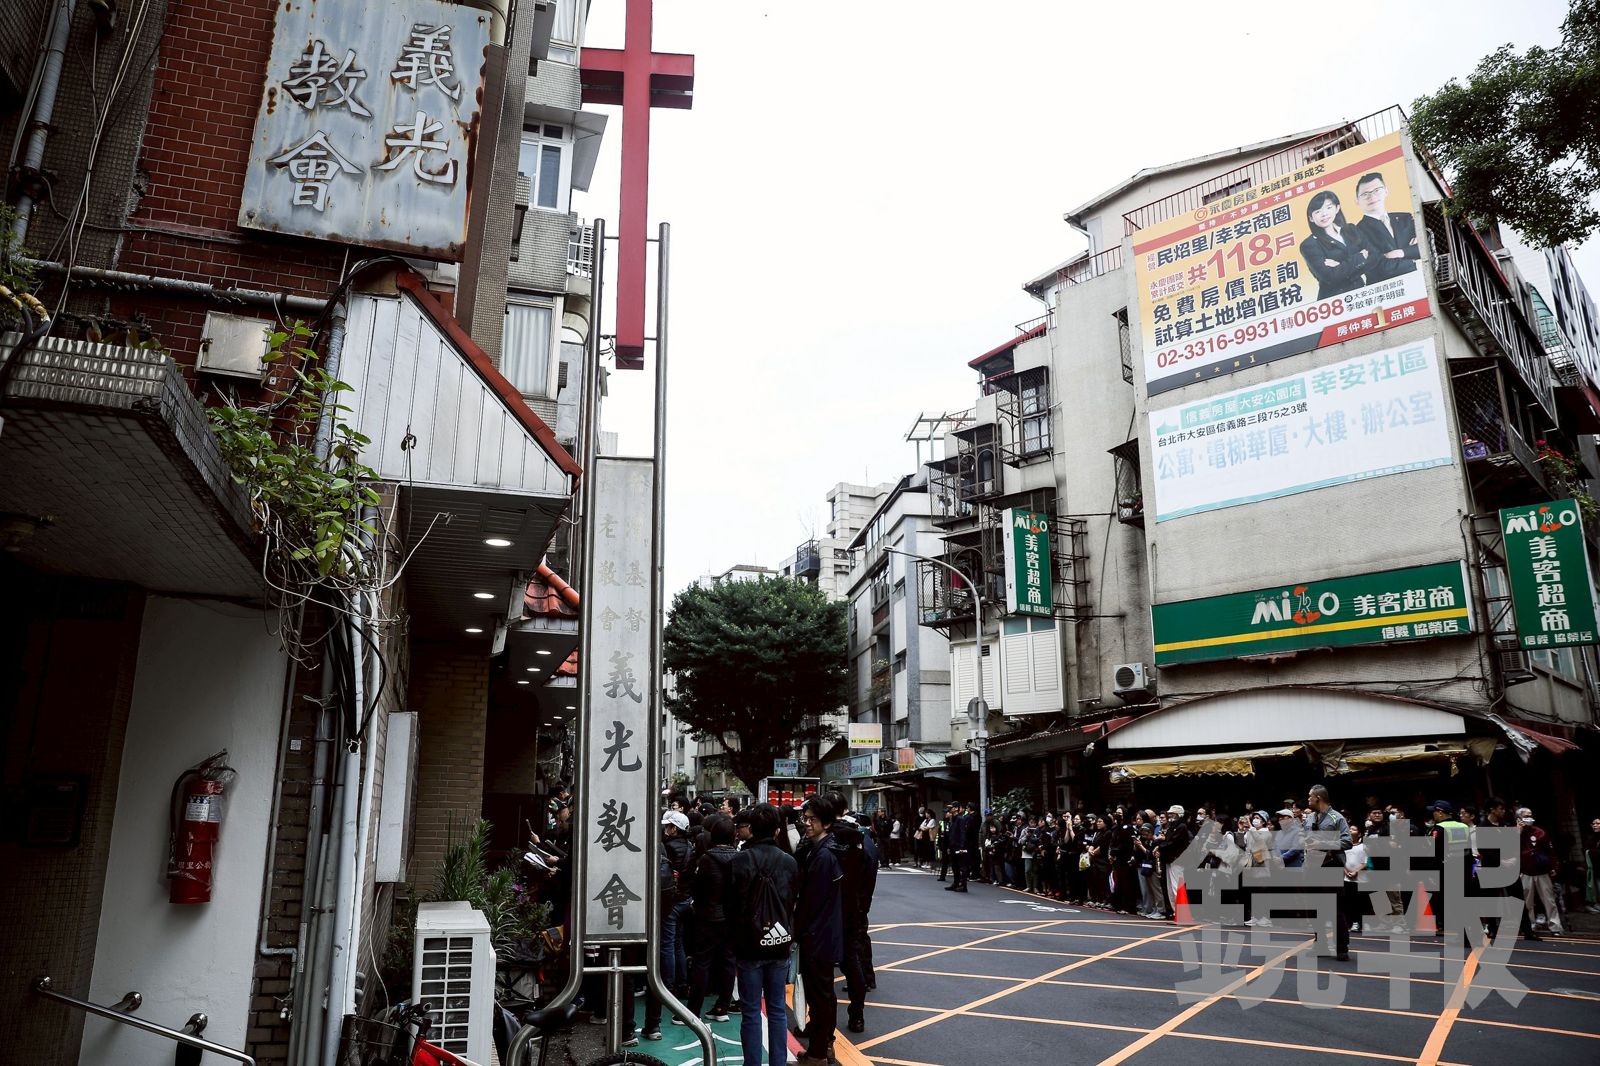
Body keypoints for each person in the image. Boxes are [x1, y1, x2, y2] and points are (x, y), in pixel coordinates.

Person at [729, 803, 799, 1066]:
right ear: (777, 829)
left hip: (748, 945)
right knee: (778, 1009)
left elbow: (731, 905)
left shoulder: (740, 861)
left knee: (751, 1011)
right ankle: (779, 1062)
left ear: (751, 830)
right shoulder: (789, 862)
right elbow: (792, 900)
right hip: (779, 943)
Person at [795, 795, 845, 1066]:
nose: (807, 823)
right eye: (806, 818)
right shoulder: (822, 848)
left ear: (826, 822)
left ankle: (817, 1052)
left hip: (818, 935)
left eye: (813, 819)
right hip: (823, 933)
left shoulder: (825, 854)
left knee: (821, 996)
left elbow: (811, 901)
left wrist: (799, 931)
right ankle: (823, 1046)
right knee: (823, 994)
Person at [682, 813, 738, 1024]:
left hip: (707, 916)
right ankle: (722, 1006)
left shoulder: (706, 859)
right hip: (731, 918)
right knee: (728, 961)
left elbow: (696, 888)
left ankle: (693, 1009)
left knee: (702, 962)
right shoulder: (739, 857)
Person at [829, 808, 878, 1034]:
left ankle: (823, 1024)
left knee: (825, 970)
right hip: (856, 914)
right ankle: (857, 1016)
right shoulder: (865, 848)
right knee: (853, 964)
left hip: (836, 916)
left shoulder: (834, 853)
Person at [1305, 784, 1353, 961]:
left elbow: (1347, 842)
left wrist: (1323, 844)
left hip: (1331, 866)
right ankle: (1321, 944)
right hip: (1312, 868)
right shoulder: (1309, 818)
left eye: (1310, 796)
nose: (1308, 799)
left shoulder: (1336, 817)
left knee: (1335, 909)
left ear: (1318, 798)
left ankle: (1342, 948)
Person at [1299, 190, 1373, 299]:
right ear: (1311, 218)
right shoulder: (1309, 245)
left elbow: (1374, 257)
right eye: (1318, 211)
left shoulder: (1351, 229)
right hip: (1334, 302)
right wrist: (1360, 258)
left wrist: (1340, 265)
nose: (1324, 214)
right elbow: (1330, 277)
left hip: (1361, 294)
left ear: (1337, 208)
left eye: (1329, 208)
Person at [1351, 171, 1420, 281]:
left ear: (1386, 191)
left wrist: (1400, 253)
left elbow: (1426, 248)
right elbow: (1379, 267)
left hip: (1419, 282)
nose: (1372, 196)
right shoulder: (1356, 231)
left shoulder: (1406, 218)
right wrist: (1415, 261)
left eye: (1377, 190)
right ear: (1357, 201)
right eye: (1365, 194)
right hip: (1387, 290)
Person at [661, 810, 696, 997]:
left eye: (667, 826)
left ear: (674, 828)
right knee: (678, 943)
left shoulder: (668, 847)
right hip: (685, 900)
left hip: (671, 902)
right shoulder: (690, 846)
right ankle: (682, 984)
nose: (665, 829)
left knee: (667, 944)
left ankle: (667, 986)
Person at [1519, 808, 1565, 937]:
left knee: (1549, 901)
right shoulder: (1515, 833)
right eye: (1525, 816)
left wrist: (1554, 867)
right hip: (1525, 872)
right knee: (1527, 902)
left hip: (1542, 872)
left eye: (1530, 816)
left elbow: (1551, 852)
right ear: (1519, 819)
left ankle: (1555, 926)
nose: (1529, 818)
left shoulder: (1540, 833)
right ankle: (1530, 926)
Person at [1158, 805, 1192, 917]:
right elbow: (1168, 841)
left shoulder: (1181, 827)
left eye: (1172, 814)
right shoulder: (1173, 826)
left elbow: (1172, 842)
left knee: (1176, 887)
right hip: (1170, 859)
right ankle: (1176, 912)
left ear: (1178, 814)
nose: (1170, 816)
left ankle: (1181, 913)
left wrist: (1160, 847)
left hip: (1177, 860)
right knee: (1171, 889)